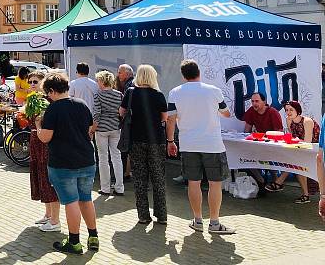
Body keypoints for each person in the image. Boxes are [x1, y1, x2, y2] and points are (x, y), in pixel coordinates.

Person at [166, 59, 235, 235]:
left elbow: (171, 120)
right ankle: (214, 222)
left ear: (183, 75)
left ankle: (197, 220)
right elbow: (226, 113)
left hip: (188, 144)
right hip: (212, 144)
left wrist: (170, 141)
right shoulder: (213, 91)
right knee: (215, 184)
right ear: (199, 72)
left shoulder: (175, 93)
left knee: (193, 183)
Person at [36, 72, 98, 255]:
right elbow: (89, 129)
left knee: (71, 201)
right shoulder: (81, 104)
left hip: (63, 163)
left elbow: (46, 138)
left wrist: (38, 126)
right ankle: (93, 236)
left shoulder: (53, 109)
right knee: (86, 198)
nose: (47, 96)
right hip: (86, 159)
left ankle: (74, 241)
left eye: (48, 93)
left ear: (53, 91)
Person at [121, 64, 168, 225]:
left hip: (136, 139)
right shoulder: (158, 94)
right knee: (158, 178)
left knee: (140, 179)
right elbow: (164, 118)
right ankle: (161, 216)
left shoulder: (131, 93)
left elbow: (121, 112)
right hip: (156, 140)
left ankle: (143, 216)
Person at [27, 71, 61, 232]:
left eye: (35, 81)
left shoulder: (49, 102)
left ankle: (55, 219)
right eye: (30, 82)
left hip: (45, 142)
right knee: (40, 176)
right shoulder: (33, 100)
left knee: (48, 179)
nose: (32, 84)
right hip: (35, 140)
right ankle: (48, 214)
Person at [266, 100, 320, 203]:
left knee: (295, 162)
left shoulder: (307, 121)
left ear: (298, 110)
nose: (288, 112)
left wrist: (294, 142)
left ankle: (279, 182)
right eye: (286, 110)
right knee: (294, 161)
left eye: (291, 110)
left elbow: (308, 142)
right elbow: (292, 137)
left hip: (314, 149)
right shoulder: (288, 120)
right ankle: (304, 195)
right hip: (300, 149)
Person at [241, 91, 283, 193]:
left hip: (273, 143)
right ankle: (261, 180)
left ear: (264, 102)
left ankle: (275, 180)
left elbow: (279, 132)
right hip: (259, 142)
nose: (254, 104)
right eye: (252, 101)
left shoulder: (272, 112)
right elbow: (247, 129)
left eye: (257, 101)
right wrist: (244, 140)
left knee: (266, 157)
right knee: (244, 156)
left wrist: (267, 137)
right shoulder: (251, 111)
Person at [92, 71, 124, 196]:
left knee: (103, 158)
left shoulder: (98, 95)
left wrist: (92, 129)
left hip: (101, 129)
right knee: (117, 157)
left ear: (101, 81)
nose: (97, 83)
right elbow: (121, 112)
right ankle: (119, 187)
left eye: (97, 81)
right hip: (116, 127)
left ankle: (105, 188)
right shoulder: (119, 95)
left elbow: (97, 114)